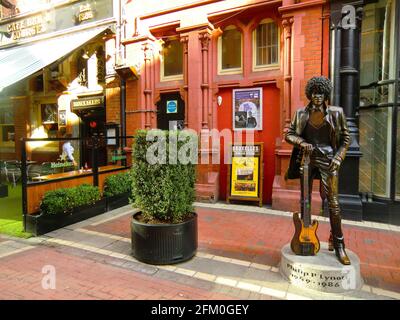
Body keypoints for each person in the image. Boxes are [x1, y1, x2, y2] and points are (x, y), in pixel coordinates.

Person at [284, 76, 351, 265]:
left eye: (321, 93)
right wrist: (302, 142)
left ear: (326, 94)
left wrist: (338, 157)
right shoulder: (301, 114)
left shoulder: (336, 114)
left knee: (333, 203)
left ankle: (338, 244)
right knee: (305, 201)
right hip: (307, 160)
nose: (317, 97)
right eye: (314, 93)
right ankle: (305, 237)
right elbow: (289, 134)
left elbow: (346, 139)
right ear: (309, 94)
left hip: (329, 161)